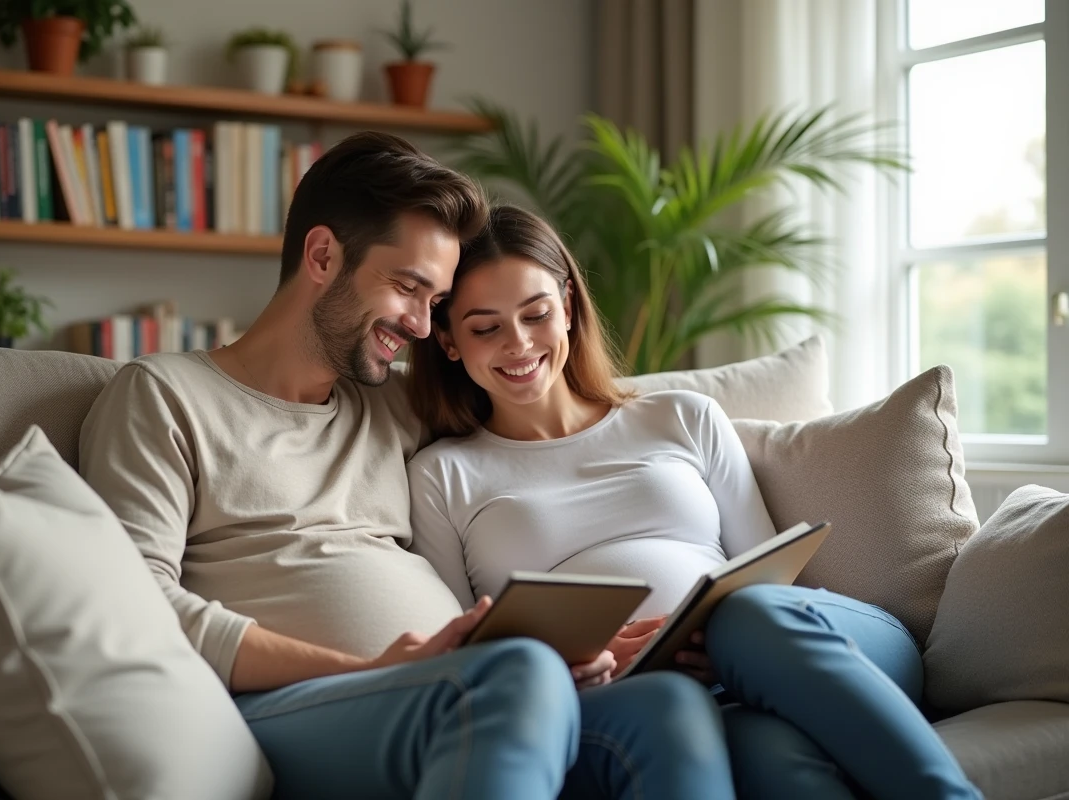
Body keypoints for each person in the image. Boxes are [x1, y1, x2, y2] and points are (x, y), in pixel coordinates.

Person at [78, 132, 724, 800]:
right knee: (516, 674)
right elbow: (134, 604)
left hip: (460, 689)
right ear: (324, 255)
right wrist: (375, 668)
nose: (421, 326)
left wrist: (579, 643)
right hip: (289, 708)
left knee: (664, 709)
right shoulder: (163, 396)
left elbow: (538, 406)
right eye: (409, 288)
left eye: (435, 303)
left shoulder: (393, 406)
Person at [406, 203, 984, 800]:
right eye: (485, 327)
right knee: (770, 758)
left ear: (570, 308)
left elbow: (769, 577)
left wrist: (719, 637)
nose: (519, 343)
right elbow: (459, 656)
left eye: (537, 314)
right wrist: (581, 656)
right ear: (447, 339)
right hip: (665, 696)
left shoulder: (683, 415)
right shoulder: (442, 475)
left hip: (820, 643)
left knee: (744, 616)